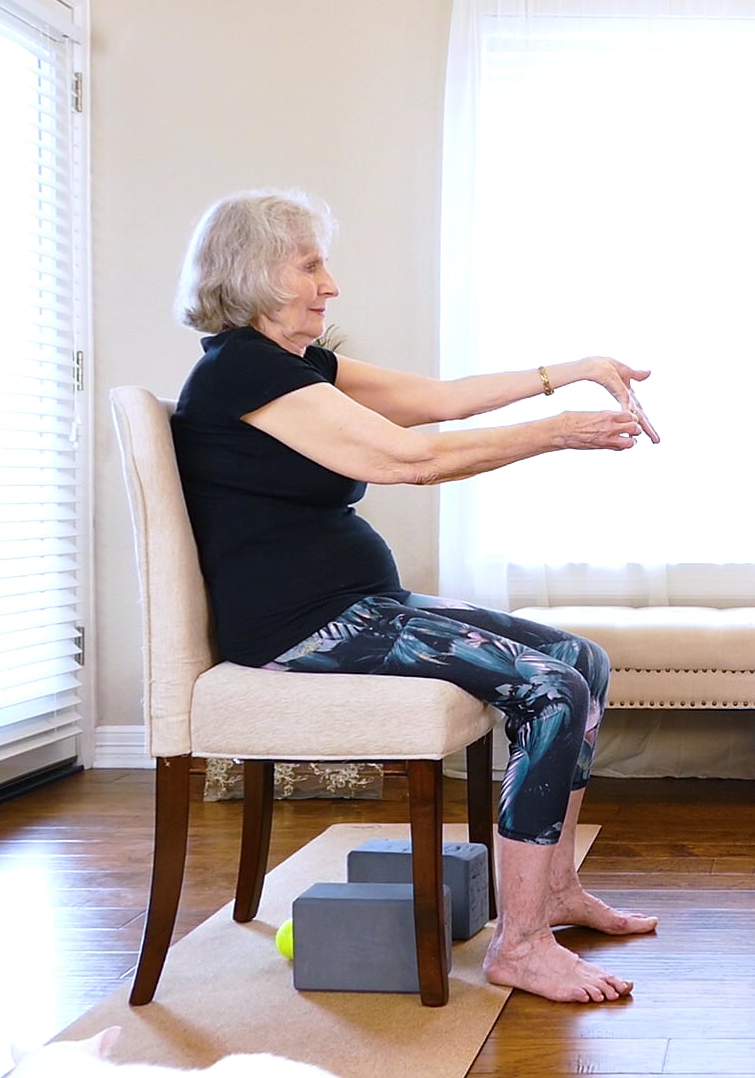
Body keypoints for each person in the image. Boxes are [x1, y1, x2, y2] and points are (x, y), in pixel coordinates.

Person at [169, 188, 659, 1004]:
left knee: (582, 660)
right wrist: (558, 433)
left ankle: (555, 892)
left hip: (361, 605)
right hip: (305, 627)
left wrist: (570, 372)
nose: (330, 285)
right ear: (254, 274)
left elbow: (439, 399)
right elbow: (410, 460)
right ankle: (520, 946)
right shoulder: (241, 371)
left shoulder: (294, 366)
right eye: (310, 266)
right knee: (551, 689)